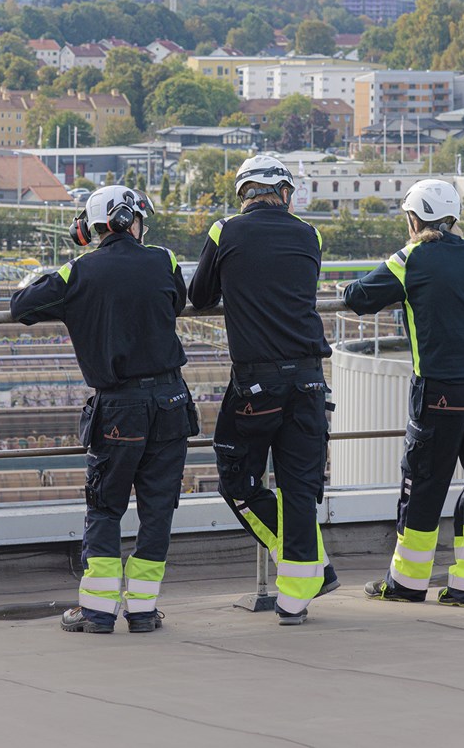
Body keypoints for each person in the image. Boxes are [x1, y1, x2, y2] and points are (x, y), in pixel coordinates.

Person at [10, 185, 196, 635]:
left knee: (105, 507)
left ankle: (96, 612)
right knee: (158, 510)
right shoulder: (164, 260)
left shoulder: (80, 273)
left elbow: (22, 306)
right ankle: (143, 611)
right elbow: (178, 301)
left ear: (91, 228)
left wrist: (74, 281)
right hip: (171, 402)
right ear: (130, 218)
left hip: (119, 410)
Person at [342, 179, 464, 608]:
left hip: (445, 388)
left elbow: (357, 298)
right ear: (453, 218)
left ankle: (406, 583)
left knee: (423, 484)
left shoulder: (411, 258)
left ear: (413, 218)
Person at [190, 155, 337, 624]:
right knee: (299, 486)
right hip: (311, 378)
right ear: (286, 193)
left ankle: (311, 564)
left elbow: (199, 296)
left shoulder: (225, 232)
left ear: (244, 194)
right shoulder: (310, 235)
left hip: (257, 381)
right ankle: (298, 591)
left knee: (237, 478)